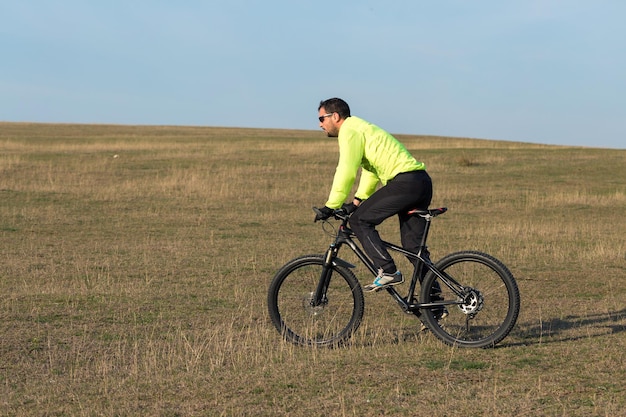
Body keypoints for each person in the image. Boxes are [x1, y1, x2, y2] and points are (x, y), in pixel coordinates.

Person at [314, 97, 433, 292]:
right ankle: (435, 307)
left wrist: (331, 205)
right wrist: (357, 200)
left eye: (321, 119)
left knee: (359, 222)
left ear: (335, 116)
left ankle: (388, 271)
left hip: (405, 183)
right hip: (420, 183)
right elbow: (370, 169)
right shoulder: (361, 127)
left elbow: (346, 168)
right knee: (414, 250)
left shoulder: (349, 130)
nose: (320, 124)